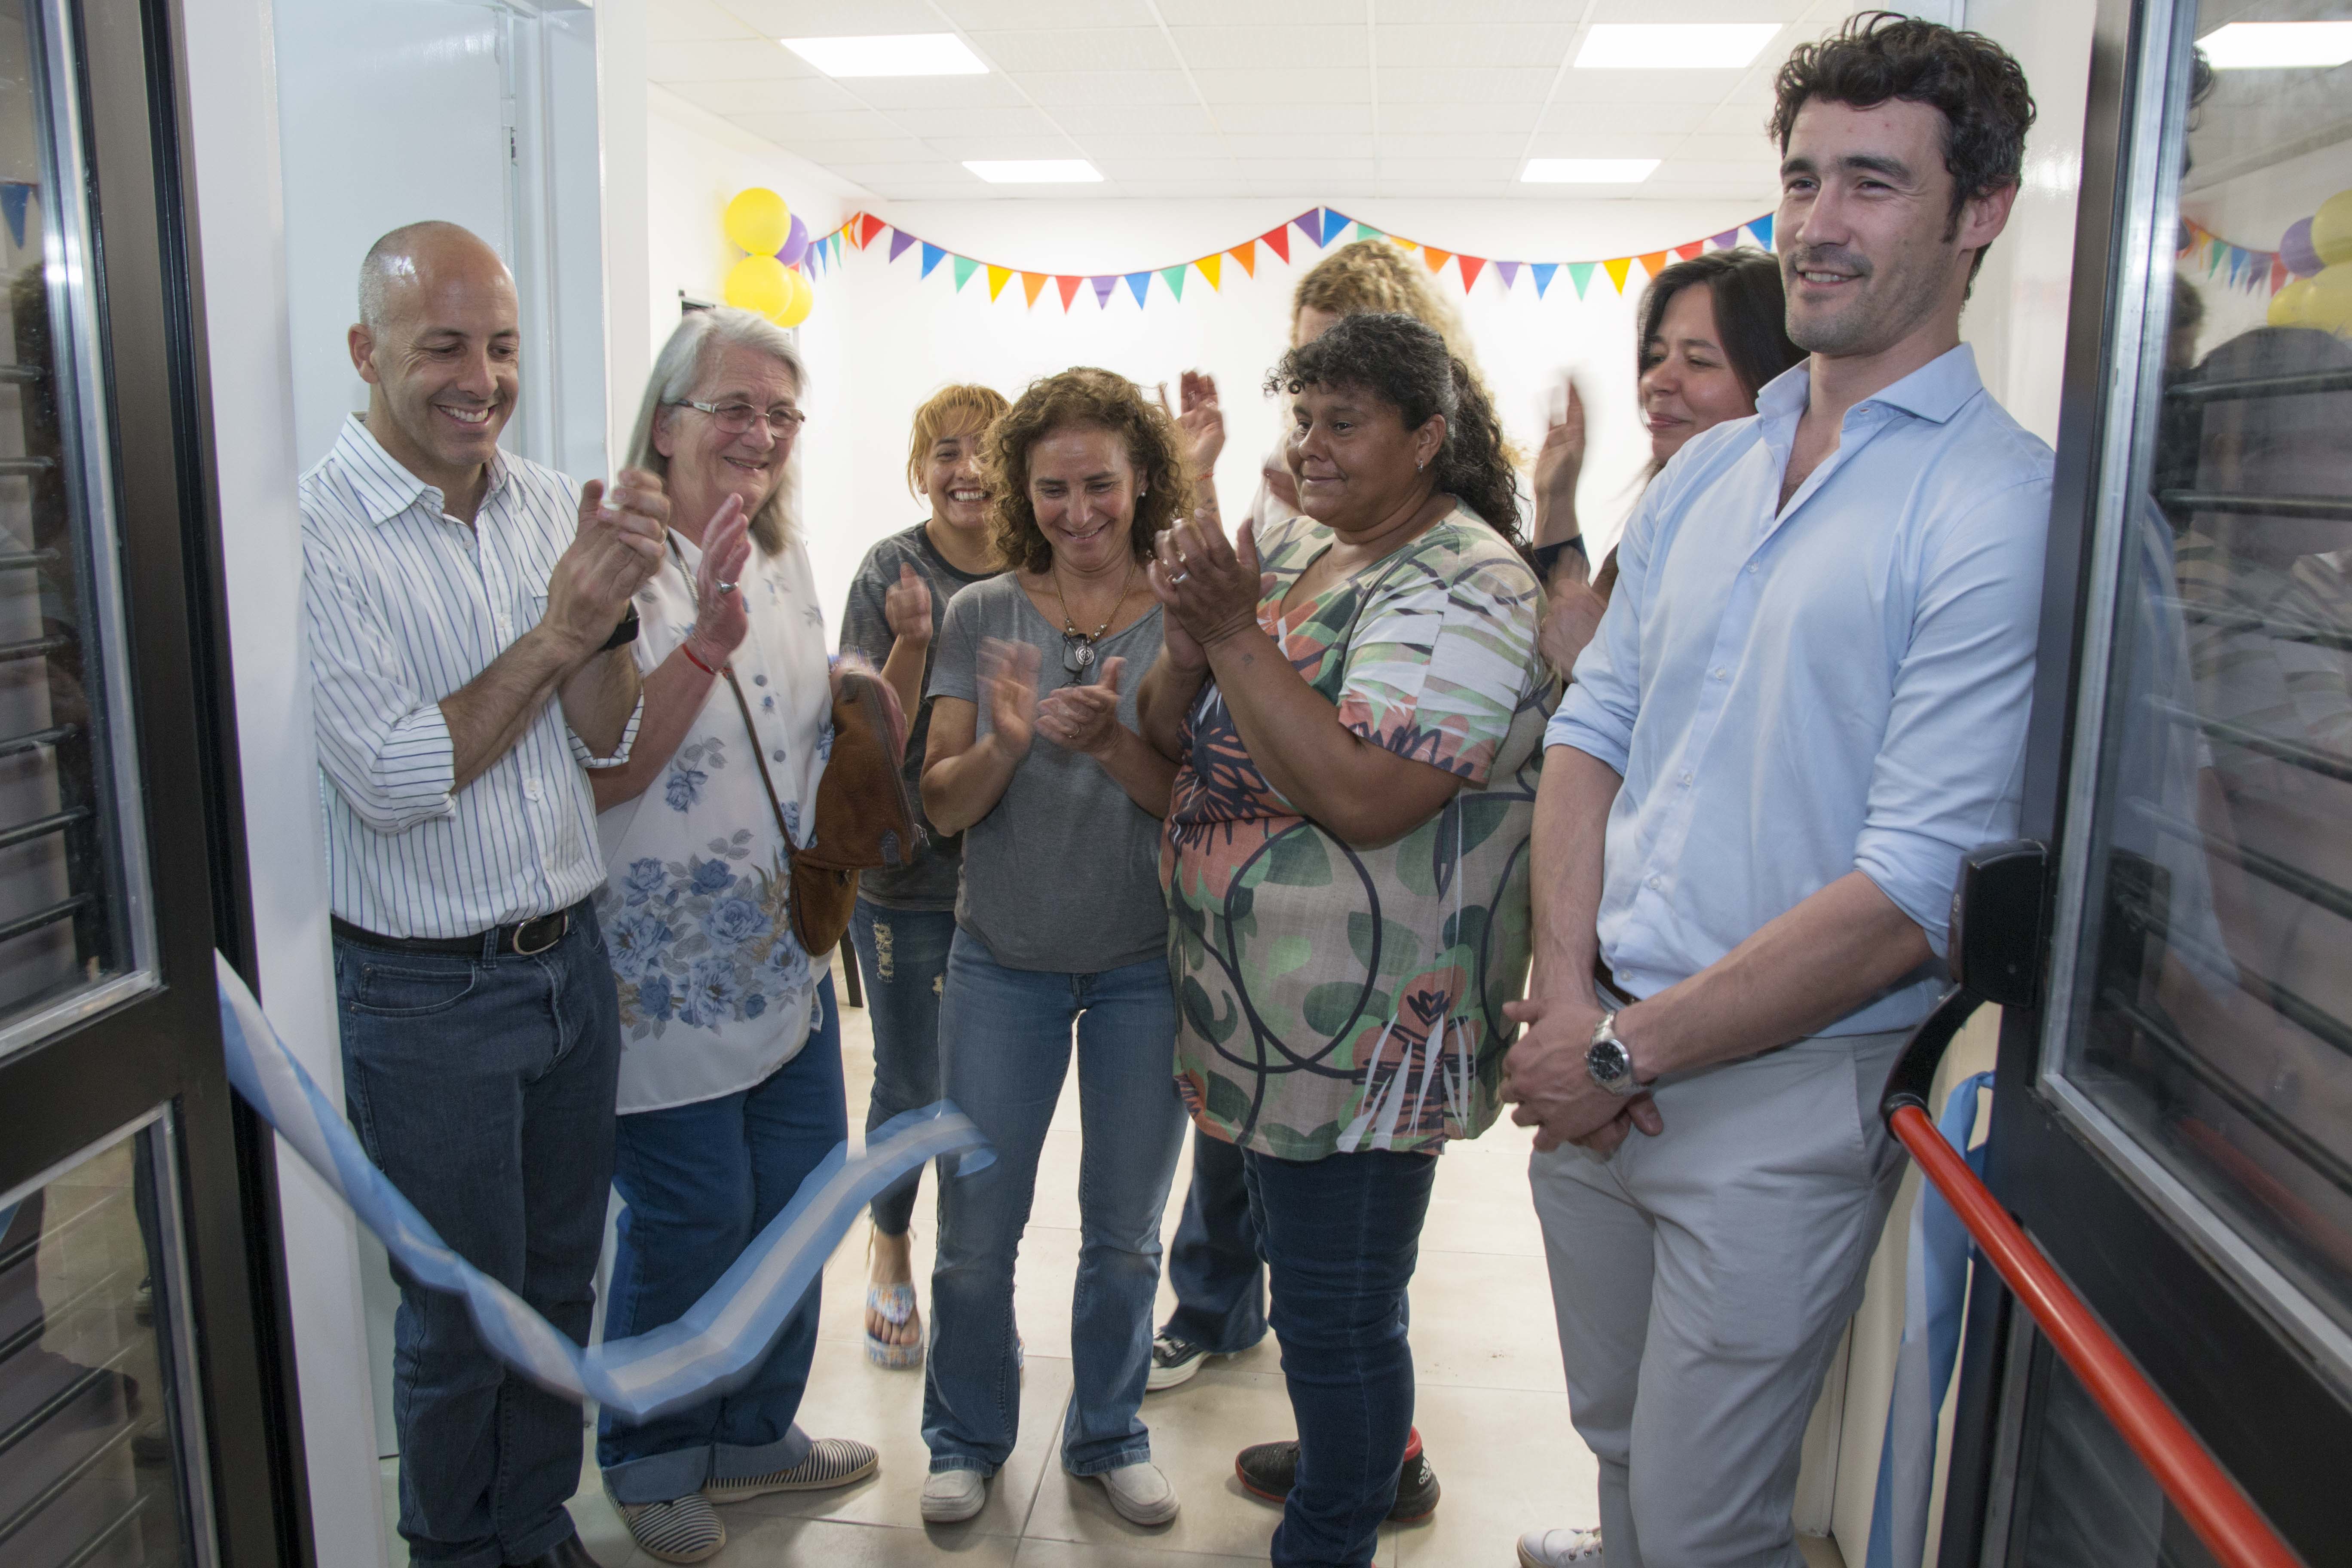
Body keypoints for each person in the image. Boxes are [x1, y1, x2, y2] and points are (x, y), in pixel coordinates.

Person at [1506, 15, 2050, 1568]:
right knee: (1618, 1446)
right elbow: (1586, 734)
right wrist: (1567, 1006)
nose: (1816, 224)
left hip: (1777, 1095)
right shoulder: (1706, 474)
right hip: (1597, 1053)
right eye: (1802, 179)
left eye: (1873, 183)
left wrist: (1621, 1046)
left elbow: (1905, 896)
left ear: (1979, 212)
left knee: (1699, 1525)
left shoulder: (1994, 506)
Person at [1138, 311, 1553, 1568]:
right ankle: (1344, 1456)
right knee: (1326, 1298)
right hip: (1275, 1028)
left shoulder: (1469, 583)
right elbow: (1179, 731)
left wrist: (1229, 632)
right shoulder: (1315, 544)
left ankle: (1335, 1525)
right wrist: (1195, 628)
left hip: (1369, 1035)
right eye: (1301, 417)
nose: (1311, 446)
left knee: (1338, 1314)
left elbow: (1372, 794)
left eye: (1344, 421)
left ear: (1429, 438)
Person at [303, 221, 664, 1568]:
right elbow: (398, 774)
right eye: (444, 344)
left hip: (566, 957)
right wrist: (562, 626)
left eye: (502, 346)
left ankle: (536, 1526)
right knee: (463, 1314)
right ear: (366, 351)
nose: (483, 376)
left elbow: (603, 733)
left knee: (559, 1289)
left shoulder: (540, 502)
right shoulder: (315, 531)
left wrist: (611, 616)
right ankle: (457, 1550)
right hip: (425, 991)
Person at [584, 308, 878, 1563]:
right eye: (733, 407)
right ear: (666, 422)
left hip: (783, 959)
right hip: (657, 981)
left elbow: (802, 733)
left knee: (802, 1200)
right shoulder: (613, 561)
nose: (760, 434)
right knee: (692, 1216)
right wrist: (700, 641)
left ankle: (755, 1428)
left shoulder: (783, 554)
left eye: (781, 412)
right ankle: (651, 1451)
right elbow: (600, 766)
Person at [915, 368, 1190, 1528]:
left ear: (1143, 484)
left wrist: (1114, 749)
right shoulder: (983, 615)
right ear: (1024, 493)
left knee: (1126, 1236)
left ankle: (1109, 1432)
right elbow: (939, 804)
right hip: (1002, 962)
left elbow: (1197, 806)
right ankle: (967, 1436)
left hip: (1146, 967)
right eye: (1054, 489)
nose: (1080, 511)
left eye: (1102, 486)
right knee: (978, 1231)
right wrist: (1013, 746)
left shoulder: (1186, 617)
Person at [839, 383, 1009, 1370]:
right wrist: (909, 640)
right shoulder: (889, 570)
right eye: (945, 450)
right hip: (907, 873)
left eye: (986, 450)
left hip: (1011, 881)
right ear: (920, 467)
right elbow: (864, 736)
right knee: (909, 1081)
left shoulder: (1040, 569)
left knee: (985, 1093)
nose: (966, 469)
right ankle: (890, 1241)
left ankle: (969, 1272)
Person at [1529, 248, 1804, 683]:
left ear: (1775, 378)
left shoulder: (1787, 538)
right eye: (1657, 358)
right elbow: (1578, 624)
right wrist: (1556, 498)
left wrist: (1600, 668)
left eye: (1698, 362)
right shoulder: (1667, 506)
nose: (1658, 381)